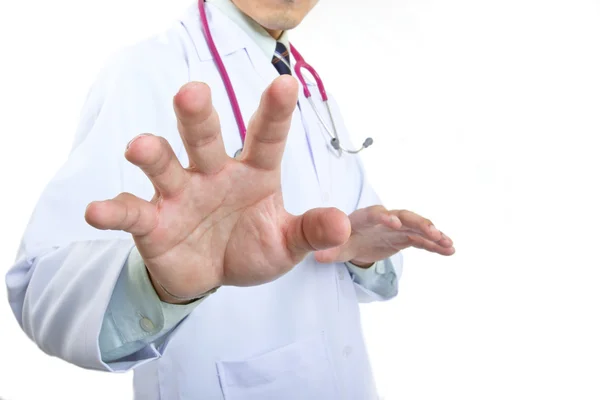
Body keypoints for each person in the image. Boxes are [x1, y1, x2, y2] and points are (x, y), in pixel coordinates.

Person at [5, 0, 455, 398]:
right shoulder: (148, 70)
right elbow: (39, 285)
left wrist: (360, 251)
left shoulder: (308, 84)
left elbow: (352, 250)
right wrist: (158, 288)